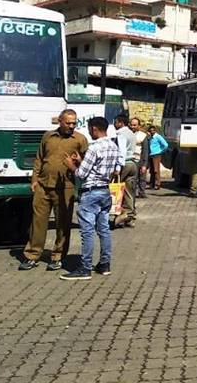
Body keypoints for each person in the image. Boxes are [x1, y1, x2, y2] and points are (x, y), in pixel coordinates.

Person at [19, 109, 89, 272]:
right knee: (38, 222)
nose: (71, 126)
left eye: (74, 123)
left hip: (65, 188)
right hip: (43, 186)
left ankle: (58, 256)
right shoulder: (48, 137)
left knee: (62, 223)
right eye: (68, 123)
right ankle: (32, 255)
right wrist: (34, 179)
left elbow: (87, 163)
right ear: (60, 121)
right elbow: (39, 158)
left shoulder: (80, 139)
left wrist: (78, 162)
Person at [60, 117, 121, 281]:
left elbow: (81, 174)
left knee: (87, 232)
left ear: (94, 129)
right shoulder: (113, 146)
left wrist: (70, 165)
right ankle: (104, 264)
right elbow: (111, 169)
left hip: (91, 192)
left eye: (89, 129)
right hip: (105, 191)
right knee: (104, 230)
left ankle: (85, 267)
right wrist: (81, 161)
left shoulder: (94, 148)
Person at [113, 114, 138, 228]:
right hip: (132, 163)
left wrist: (118, 168)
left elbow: (121, 151)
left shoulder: (121, 134)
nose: (114, 124)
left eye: (115, 122)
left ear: (120, 123)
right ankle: (130, 216)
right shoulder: (131, 133)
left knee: (116, 190)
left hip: (124, 164)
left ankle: (119, 214)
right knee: (129, 191)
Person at [130, 117, 148, 198]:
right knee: (133, 179)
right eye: (132, 125)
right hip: (130, 160)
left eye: (135, 125)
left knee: (142, 177)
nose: (133, 127)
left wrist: (144, 164)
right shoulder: (127, 134)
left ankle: (141, 192)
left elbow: (145, 151)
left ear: (139, 126)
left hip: (139, 159)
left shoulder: (143, 136)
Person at [147, 125, 168, 189]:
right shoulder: (150, 137)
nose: (152, 131)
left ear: (155, 131)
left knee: (156, 170)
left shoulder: (158, 137)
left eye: (153, 130)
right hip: (151, 154)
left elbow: (165, 145)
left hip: (156, 154)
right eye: (151, 131)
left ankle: (157, 184)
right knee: (152, 170)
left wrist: (161, 151)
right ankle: (152, 184)